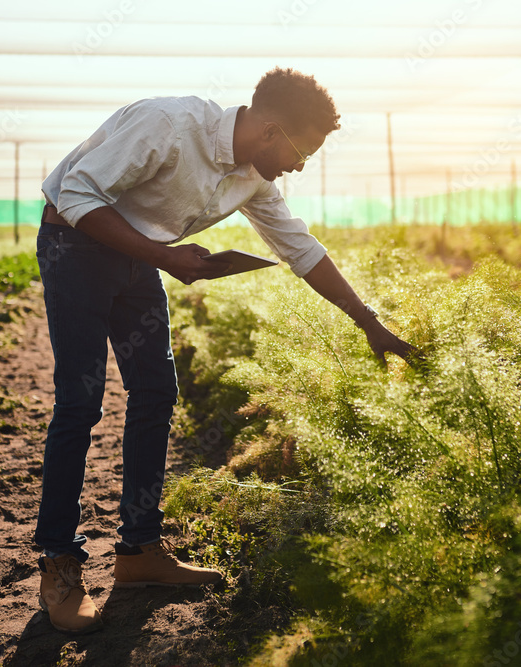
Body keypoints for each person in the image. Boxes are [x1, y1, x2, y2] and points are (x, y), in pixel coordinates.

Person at [34, 67, 421, 634]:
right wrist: (167, 258)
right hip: (76, 243)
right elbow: (76, 195)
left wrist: (369, 323)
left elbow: (300, 248)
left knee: (155, 393)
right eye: (301, 152)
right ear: (271, 131)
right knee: (81, 400)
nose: (299, 166)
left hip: (140, 254)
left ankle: (139, 551)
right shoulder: (168, 123)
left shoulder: (253, 179)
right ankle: (58, 563)